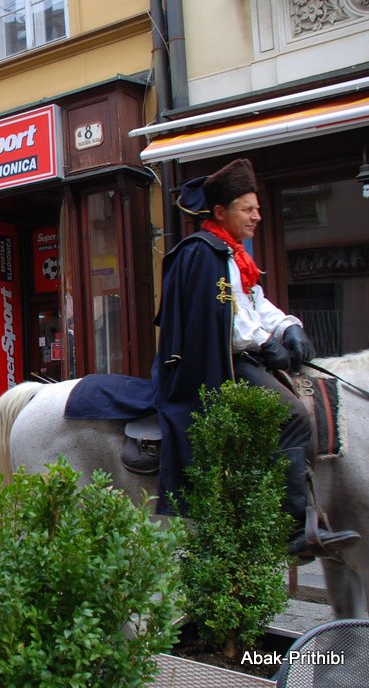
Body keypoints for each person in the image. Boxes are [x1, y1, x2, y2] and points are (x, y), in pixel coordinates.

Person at [154, 157, 359, 559]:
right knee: (294, 416)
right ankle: (291, 528)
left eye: (258, 208)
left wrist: (287, 327)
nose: (257, 216)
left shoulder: (232, 254)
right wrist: (266, 344)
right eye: (247, 209)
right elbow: (224, 321)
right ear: (220, 212)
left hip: (244, 356)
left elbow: (254, 304)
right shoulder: (203, 254)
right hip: (220, 366)